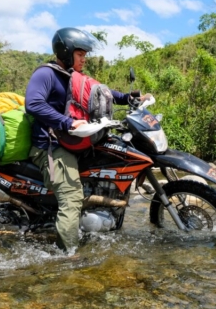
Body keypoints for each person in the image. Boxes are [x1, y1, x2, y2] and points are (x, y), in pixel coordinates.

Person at [25, 27, 134, 252]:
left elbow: (101, 93)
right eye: (80, 54)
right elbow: (33, 103)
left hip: (72, 142)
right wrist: (67, 122)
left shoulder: (74, 76)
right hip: (51, 146)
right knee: (72, 197)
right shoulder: (46, 74)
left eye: (85, 54)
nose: (84, 58)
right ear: (66, 52)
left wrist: (130, 98)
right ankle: (68, 255)